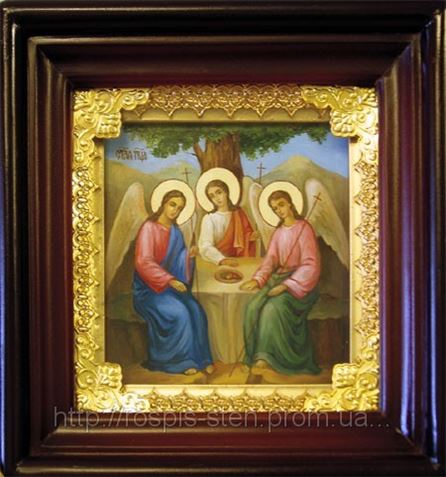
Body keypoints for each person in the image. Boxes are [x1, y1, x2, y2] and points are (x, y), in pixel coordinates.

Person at [133, 189, 214, 375]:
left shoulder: (175, 232)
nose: (175, 211)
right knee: (180, 313)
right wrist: (169, 280)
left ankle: (202, 360)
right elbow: (143, 262)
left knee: (196, 310)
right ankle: (180, 362)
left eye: (179, 208)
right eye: (172, 205)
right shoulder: (149, 228)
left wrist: (188, 256)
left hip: (170, 287)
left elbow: (178, 260)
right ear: (163, 203)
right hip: (148, 290)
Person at [240, 190, 321, 375]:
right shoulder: (278, 232)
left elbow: (311, 264)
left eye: (281, 205)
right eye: (275, 208)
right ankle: (250, 356)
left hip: (301, 284)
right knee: (252, 307)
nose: (279, 210)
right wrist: (257, 279)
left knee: (272, 308)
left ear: (290, 203)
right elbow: (270, 259)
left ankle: (265, 357)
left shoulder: (304, 228)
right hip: (279, 277)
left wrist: (286, 286)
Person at [198, 179, 257, 266]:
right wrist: (221, 260)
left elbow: (245, 236)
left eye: (219, 192)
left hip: (239, 261)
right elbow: (205, 246)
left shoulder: (239, 213)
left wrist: (250, 237)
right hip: (216, 262)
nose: (217, 198)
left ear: (226, 192)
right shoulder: (209, 219)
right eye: (212, 196)